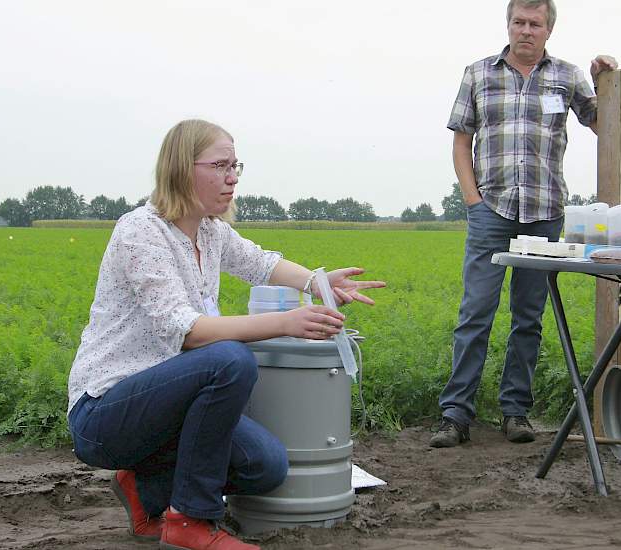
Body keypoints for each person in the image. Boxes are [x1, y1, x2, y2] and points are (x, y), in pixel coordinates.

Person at [67, 119, 385, 550]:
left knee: (266, 466)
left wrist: (318, 282)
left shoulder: (210, 232)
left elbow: (261, 264)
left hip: (167, 407)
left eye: (236, 166)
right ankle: (189, 523)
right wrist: (285, 322)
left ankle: (144, 486)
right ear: (182, 169)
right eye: (220, 165)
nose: (232, 177)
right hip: (106, 411)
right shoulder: (140, 231)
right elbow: (189, 332)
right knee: (229, 358)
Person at [431, 0, 618, 448]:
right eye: (519, 22)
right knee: (475, 313)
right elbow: (462, 142)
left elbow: (605, 126)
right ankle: (456, 415)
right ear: (508, 25)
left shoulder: (568, 76)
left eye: (535, 23)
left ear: (548, 30)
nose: (526, 30)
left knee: (529, 317)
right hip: (490, 211)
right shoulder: (478, 74)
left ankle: (516, 412)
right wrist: (472, 201)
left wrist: (604, 82)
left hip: (544, 212)